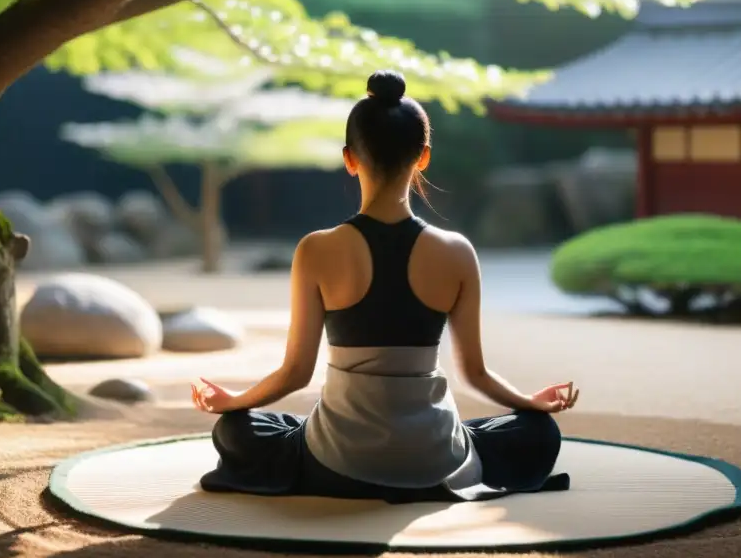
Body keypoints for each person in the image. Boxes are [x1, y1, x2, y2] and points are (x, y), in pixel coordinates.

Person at [191, 69, 580, 503]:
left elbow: (295, 374)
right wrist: (530, 402)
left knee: (236, 429)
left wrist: (234, 401)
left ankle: (339, 474)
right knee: (537, 432)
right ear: (424, 157)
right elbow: (475, 374)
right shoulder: (457, 251)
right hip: (434, 460)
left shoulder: (316, 250)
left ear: (350, 158)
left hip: (336, 460)